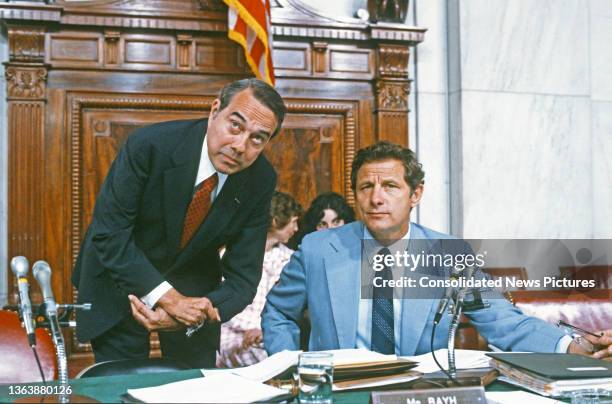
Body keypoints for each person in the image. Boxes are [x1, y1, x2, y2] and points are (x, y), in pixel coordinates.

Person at [262, 141, 612, 359]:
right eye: (366, 186)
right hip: (340, 392)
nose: (376, 197)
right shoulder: (319, 248)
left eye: (390, 186)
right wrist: (293, 365)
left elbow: (502, 320)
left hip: (418, 392)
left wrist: (569, 346)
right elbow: (279, 312)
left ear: (416, 194)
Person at [71, 78, 286, 368]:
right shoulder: (150, 145)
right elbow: (110, 235)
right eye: (235, 125)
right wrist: (169, 299)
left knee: (195, 388)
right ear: (214, 111)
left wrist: (198, 311)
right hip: (119, 277)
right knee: (121, 384)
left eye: (257, 138)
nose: (240, 145)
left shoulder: (260, 178)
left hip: (193, 290)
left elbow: (243, 278)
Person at [216, 191, 303, 368]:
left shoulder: (289, 259)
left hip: (266, 331)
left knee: (276, 353)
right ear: (276, 220)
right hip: (231, 330)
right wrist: (249, 328)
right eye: (293, 222)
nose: (296, 229)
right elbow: (222, 300)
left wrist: (262, 329)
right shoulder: (231, 255)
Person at [289, 192, 355, 250]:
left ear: (346, 222)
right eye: (323, 224)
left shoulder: (357, 249)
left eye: (336, 222)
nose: (330, 229)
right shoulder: (306, 253)